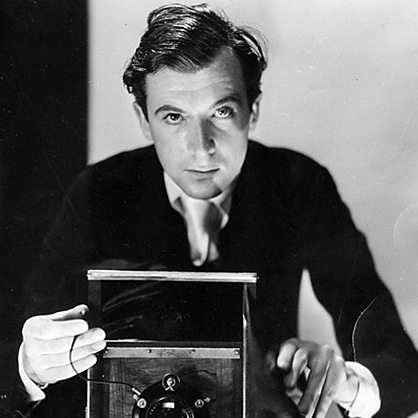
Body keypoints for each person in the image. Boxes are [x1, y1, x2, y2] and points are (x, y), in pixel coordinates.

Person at [1, 3, 418, 418]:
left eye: (222, 112)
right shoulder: (99, 190)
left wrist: (351, 383)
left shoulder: (298, 183)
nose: (201, 148)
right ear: (144, 120)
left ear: (252, 112)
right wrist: (30, 367)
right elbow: (24, 341)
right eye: (173, 117)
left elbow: (390, 350)